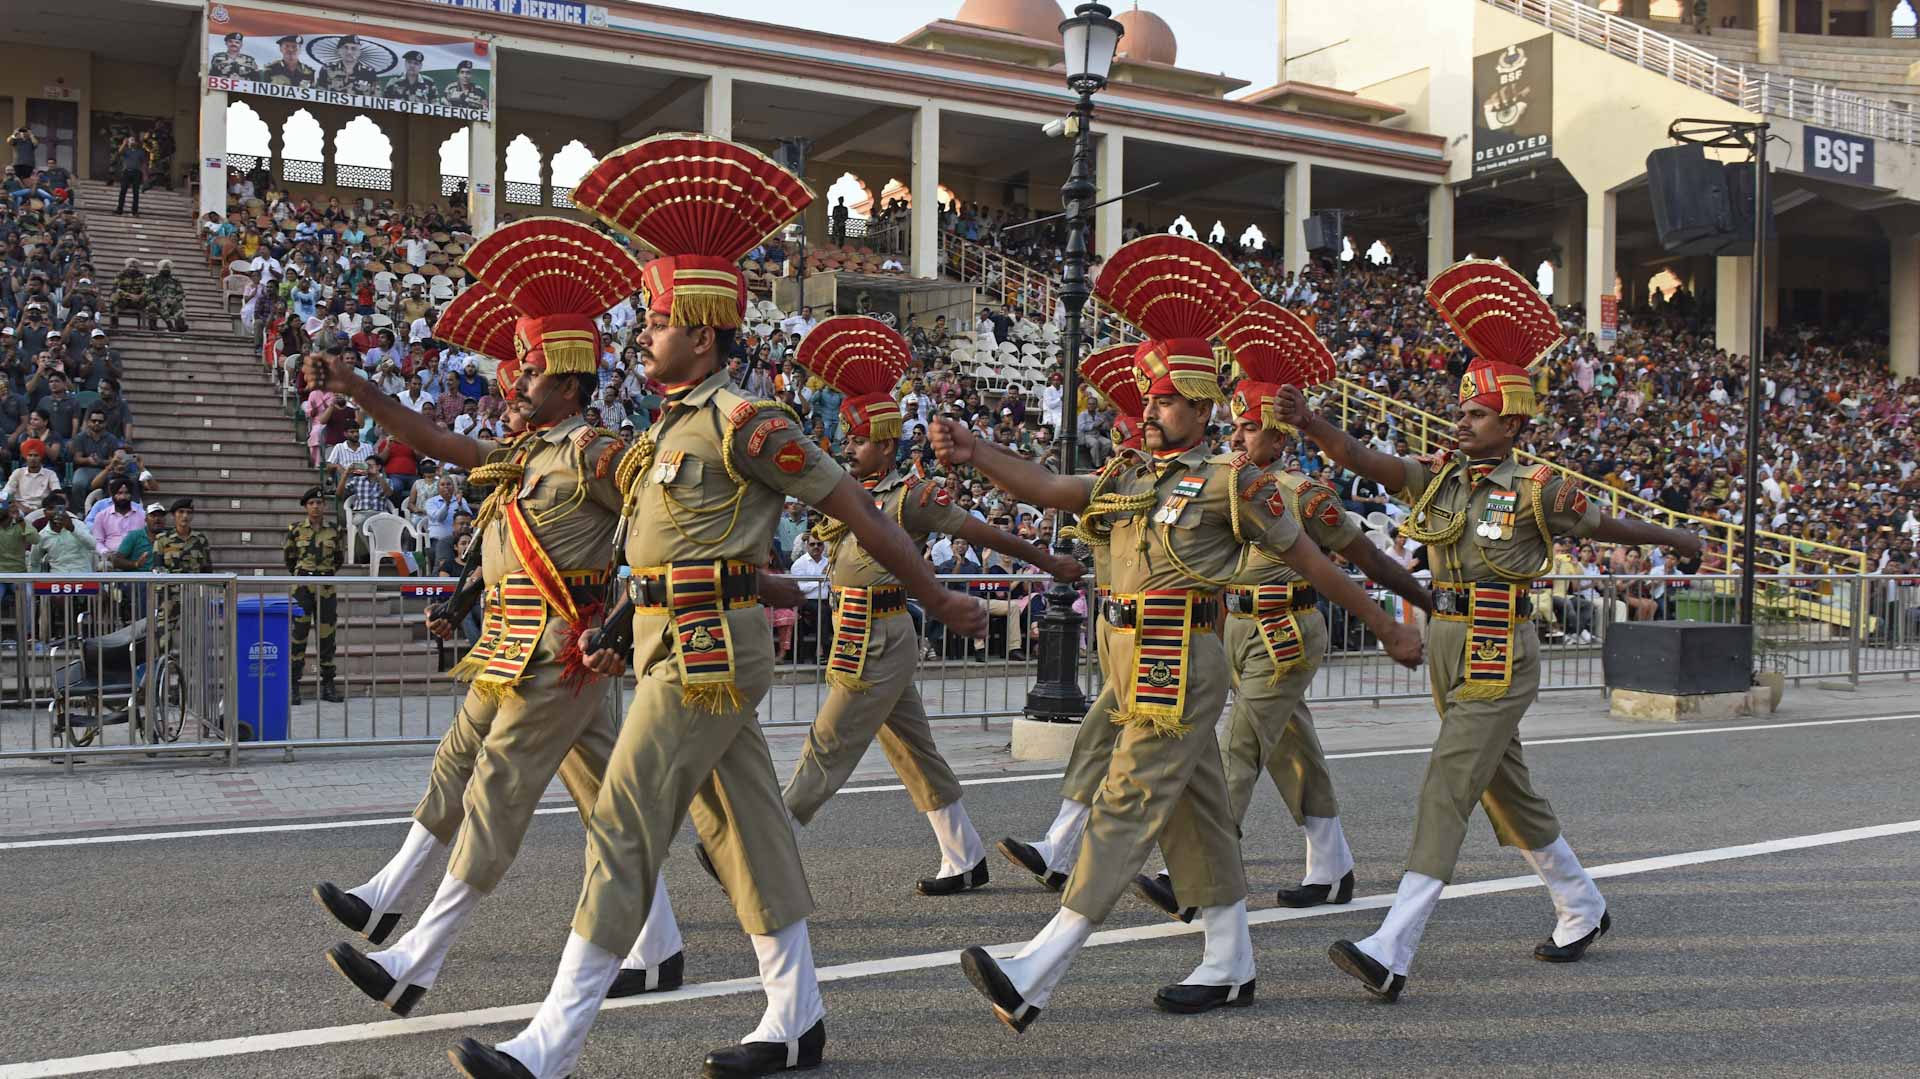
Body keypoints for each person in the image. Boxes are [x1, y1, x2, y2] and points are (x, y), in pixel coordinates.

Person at [452, 133, 986, 1079]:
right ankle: (795, 1017)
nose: (641, 334)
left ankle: (551, 1043)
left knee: (624, 814)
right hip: (668, 634)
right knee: (746, 825)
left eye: (657, 321)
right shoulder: (669, 426)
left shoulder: (748, 423)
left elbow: (854, 506)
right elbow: (653, 552)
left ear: (703, 331)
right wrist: (620, 624)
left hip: (709, 642)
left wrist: (936, 590)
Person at [934, 235, 1420, 1030]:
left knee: (1124, 804)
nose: (1149, 409)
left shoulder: (1235, 482)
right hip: (1129, 661)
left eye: (1164, 400)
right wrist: (980, 451)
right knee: (1197, 812)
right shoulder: (1130, 474)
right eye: (1148, 397)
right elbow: (1056, 488)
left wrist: (1388, 625)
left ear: (1200, 405)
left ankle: (1035, 969)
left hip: (1178, 662)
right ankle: (1230, 960)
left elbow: (1315, 560)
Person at [1275, 259, 1702, 1001]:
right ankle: (1582, 903)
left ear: (1512, 423)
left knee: (1447, 783)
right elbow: (1374, 463)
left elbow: (1610, 523)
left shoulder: (1541, 489)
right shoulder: (1444, 478)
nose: (1459, 419)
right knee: (1508, 791)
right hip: (1446, 640)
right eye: (1459, 409)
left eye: (1475, 413)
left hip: (1500, 648)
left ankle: (1393, 943)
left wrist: (1681, 542)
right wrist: (1313, 424)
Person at [312, 220, 688, 1018]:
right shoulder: (524, 455)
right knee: (583, 803)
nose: (514, 383)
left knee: (495, 790)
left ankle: (417, 954)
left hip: (562, 652)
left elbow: (660, 531)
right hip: (509, 643)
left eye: (532, 372)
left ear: (573, 381)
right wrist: (360, 391)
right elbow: (440, 443)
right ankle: (658, 943)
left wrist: (625, 623)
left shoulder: (598, 453)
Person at [1130, 301, 1432, 922]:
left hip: (1283, 628)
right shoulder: (1220, 482)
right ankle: (1332, 865)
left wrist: (1410, 608)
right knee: (1296, 754)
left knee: (1238, 748)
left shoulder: (1305, 493)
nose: (1236, 436)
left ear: (1279, 435)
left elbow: (1361, 556)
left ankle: (1194, 875)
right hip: (1234, 625)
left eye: (1248, 429)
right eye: (1235, 427)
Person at [772, 316, 1083, 896]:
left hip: (882, 631)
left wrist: (1046, 560)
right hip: (856, 628)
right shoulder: (848, 490)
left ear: (886, 443)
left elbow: (982, 531)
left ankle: (769, 842)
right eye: (846, 439)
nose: (848, 448)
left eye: (858, 440)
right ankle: (963, 857)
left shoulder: (911, 495)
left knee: (829, 741)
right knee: (914, 752)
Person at [992, 343, 1144, 892]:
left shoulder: (1183, 491)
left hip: (1173, 643)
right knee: (1099, 742)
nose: (1122, 456)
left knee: (1190, 765)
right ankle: (1058, 847)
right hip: (1120, 638)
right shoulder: (1115, 491)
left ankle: (1195, 869)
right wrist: (982, 449)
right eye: (1121, 443)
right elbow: (1055, 490)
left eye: (1130, 445)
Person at [285, 486, 346, 704]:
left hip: (326, 587)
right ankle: (293, 685)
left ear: (324, 506)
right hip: (302, 586)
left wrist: (324, 574)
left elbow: (339, 558)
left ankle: (328, 685)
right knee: (298, 636)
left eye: (319, 503)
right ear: (305, 507)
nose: (315, 506)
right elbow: (289, 559)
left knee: (327, 637)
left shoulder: (334, 530)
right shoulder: (295, 530)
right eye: (311, 503)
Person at [145, 259, 189, 332]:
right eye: (164, 268)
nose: (166, 270)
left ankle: (180, 325)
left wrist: (174, 300)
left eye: (167, 268)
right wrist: (160, 300)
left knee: (179, 305)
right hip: (158, 303)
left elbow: (181, 294)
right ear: (160, 269)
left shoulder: (175, 281)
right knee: (153, 304)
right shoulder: (153, 279)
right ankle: (158, 325)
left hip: (172, 303)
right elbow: (149, 293)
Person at [113, 135, 147, 216]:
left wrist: (145, 175)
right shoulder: (126, 150)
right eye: (130, 140)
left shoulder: (140, 152)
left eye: (133, 140)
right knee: (123, 191)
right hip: (126, 172)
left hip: (136, 173)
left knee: (136, 193)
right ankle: (119, 210)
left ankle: (134, 211)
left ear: (136, 142)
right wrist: (124, 143)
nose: (131, 142)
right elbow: (119, 152)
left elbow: (143, 164)